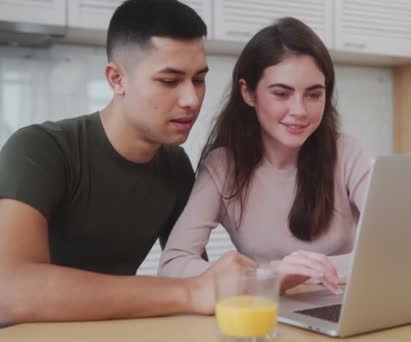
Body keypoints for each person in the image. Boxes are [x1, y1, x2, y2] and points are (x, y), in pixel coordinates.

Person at [0, 0, 256, 337]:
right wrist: (193, 292)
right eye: (169, 81)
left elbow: (187, 267)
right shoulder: (41, 149)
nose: (191, 99)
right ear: (117, 79)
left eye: (199, 79)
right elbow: (11, 293)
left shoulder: (175, 167)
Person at [158, 17, 371, 294]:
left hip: (338, 307)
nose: (299, 110)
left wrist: (306, 273)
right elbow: (173, 265)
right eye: (281, 93)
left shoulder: (347, 153)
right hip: (263, 312)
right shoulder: (222, 167)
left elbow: (401, 246)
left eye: (313, 94)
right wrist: (269, 275)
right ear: (248, 93)